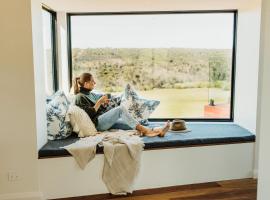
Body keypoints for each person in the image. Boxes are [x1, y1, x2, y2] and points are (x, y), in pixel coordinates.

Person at [73, 72, 170, 137]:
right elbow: (88, 116)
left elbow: (98, 108)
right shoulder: (80, 97)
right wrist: (99, 102)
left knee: (133, 123)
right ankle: (147, 131)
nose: (95, 83)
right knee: (120, 109)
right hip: (97, 124)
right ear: (85, 84)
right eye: (92, 81)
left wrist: (104, 104)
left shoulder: (91, 94)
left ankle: (158, 131)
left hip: (104, 120)